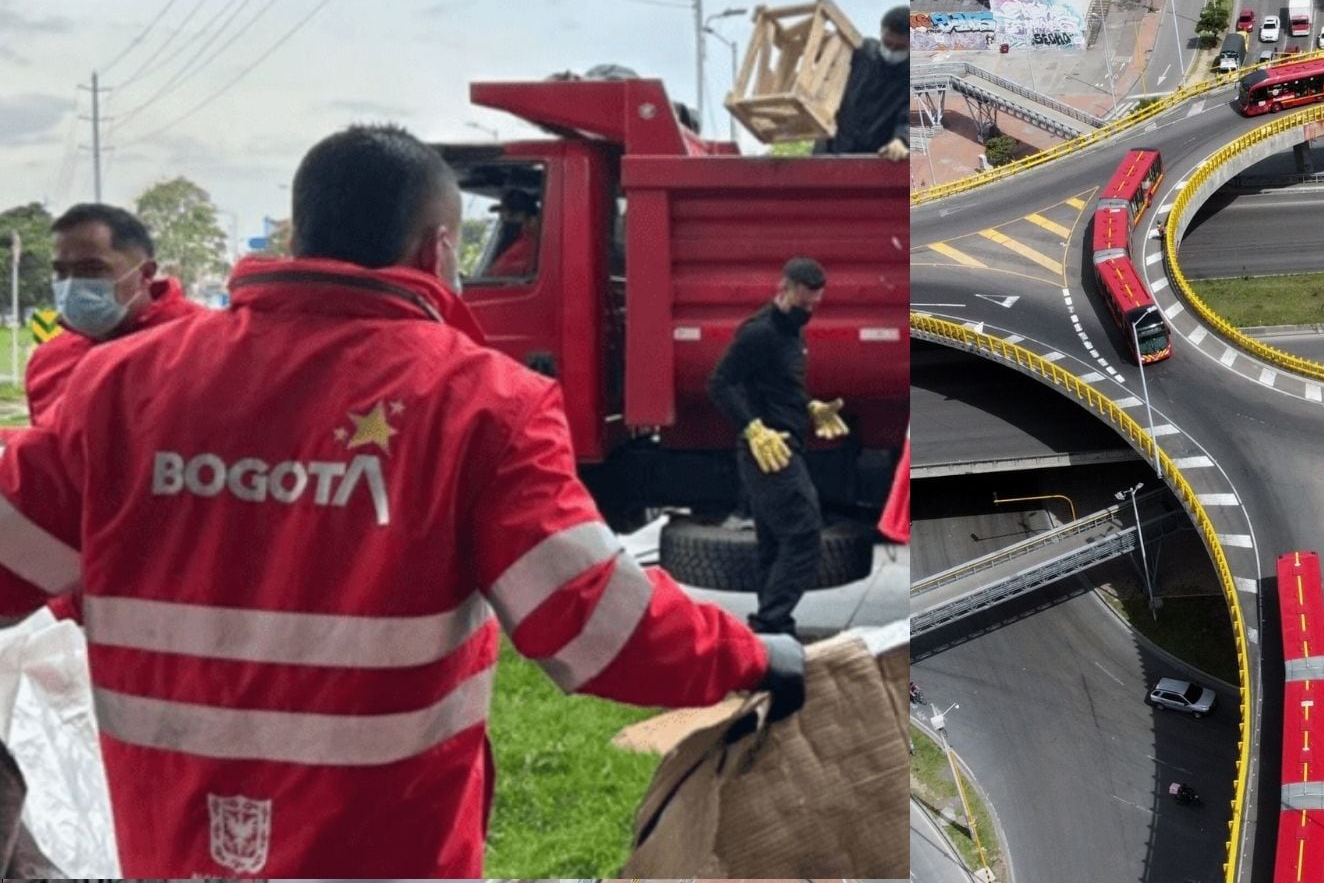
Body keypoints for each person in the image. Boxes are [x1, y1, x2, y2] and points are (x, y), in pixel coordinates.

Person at [0, 125, 804, 877]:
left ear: (300, 231)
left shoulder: (121, 385)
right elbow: (595, 625)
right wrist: (754, 655)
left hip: (177, 849)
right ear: (439, 248)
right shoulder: (479, 402)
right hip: (391, 849)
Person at [709, 256, 847, 637]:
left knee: (774, 541)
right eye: (803, 304)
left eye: (814, 306)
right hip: (769, 451)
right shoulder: (759, 333)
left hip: (789, 443)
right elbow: (721, 383)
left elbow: (778, 387)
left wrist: (809, 407)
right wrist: (753, 428)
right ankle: (772, 622)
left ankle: (768, 632)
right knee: (803, 533)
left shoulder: (792, 333)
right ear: (782, 290)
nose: (808, 312)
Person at [24, 203, 202, 425]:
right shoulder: (49, 360)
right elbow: (45, 450)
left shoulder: (203, 345)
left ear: (145, 274)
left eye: (91, 269)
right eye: (61, 272)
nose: (71, 284)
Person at [815, 5, 910, 161]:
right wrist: (821, 43)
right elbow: (828, 54)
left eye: (900, 47)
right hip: (833, 149)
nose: (892, 50)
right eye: (887, 43)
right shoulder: (860, 52)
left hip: (878, 159)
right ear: (881, 32)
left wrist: (903, 139)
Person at [478, 189, 541, 278]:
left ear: (532, 219)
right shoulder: (514, 244)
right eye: (503, 216)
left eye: (513, 215)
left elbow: (500, 276)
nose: (506, 220)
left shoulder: (533, 247)